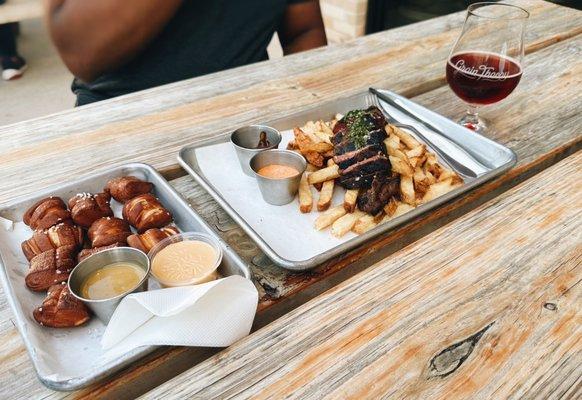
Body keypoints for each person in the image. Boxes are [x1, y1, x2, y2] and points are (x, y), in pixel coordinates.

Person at [45, 0, 327, 106]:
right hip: (123, 122)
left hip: (249, 120)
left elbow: (303, 31)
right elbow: (82, 53)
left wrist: (301, 113)